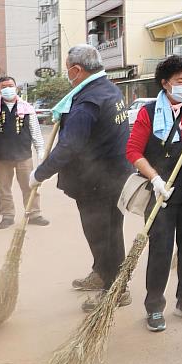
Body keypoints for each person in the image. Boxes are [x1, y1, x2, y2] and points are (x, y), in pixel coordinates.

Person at [29, 45, 132, 312]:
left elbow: (69, 146)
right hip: (109, 177)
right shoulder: (109, 89)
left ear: (77, 69)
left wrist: (40, 174)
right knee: (101, 233)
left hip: (98, 182)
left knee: (105, 235)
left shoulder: (88, 101)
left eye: (68, 71)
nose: (68, 75)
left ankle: (116, 289)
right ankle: (101, 272)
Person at [126, 56, 182, 332]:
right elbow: (133, 152)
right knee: (160, 251)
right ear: (165, 83)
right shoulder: (149, 113)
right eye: (180, 82)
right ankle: (154, 306)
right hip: (161, 193)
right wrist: (154, 179)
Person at [0, 76, 48, 229]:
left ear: (16, 88)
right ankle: (7, 216)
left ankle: (34, 214)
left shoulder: (27, 108)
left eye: (10, 85)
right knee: (4, 188)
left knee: (29, 186)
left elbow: (35, 132)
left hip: (23, 155)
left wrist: (41, 150)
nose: (7, 89)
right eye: (4, 86)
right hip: (0, 156)